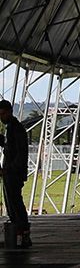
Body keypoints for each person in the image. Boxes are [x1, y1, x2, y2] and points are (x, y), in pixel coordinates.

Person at [0, 99, 29, 246]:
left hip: (13, 173)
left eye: (3, 114)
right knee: (12, 203)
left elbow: (20, 153)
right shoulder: (12, 128)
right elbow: (10, 146)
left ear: (10, 112)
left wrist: (8, 169)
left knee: (15, 203)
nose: (1, 117)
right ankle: (20, 231)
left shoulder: (16, 129)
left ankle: (22, 231)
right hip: (10, 172)